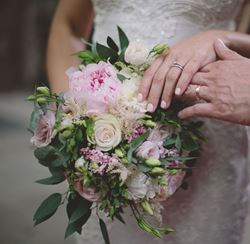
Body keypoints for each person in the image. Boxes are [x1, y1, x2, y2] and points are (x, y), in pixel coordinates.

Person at [47, 1, 250, 244]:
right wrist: (72, 118)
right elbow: (68, 25)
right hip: (100, 129)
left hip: (208, 131)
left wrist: (223, 38)